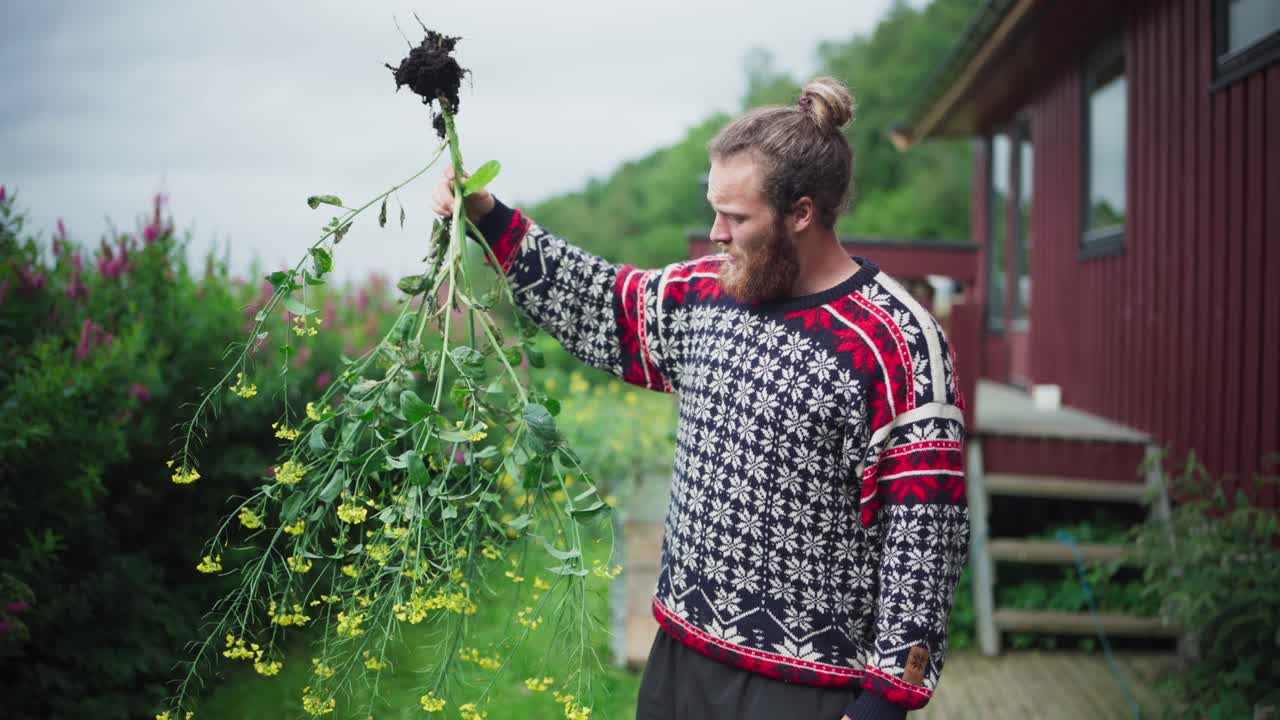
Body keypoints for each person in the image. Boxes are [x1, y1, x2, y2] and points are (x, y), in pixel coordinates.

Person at [431, 77, 969, 720]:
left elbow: (925, 536)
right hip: (681, 659)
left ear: (802, 212)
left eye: (735, 217)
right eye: (714, 207)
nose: (715, 232)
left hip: (807, 693)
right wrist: (491, 217)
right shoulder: (707, 293)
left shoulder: (899, 342)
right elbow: (603, 303)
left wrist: (887, 698)